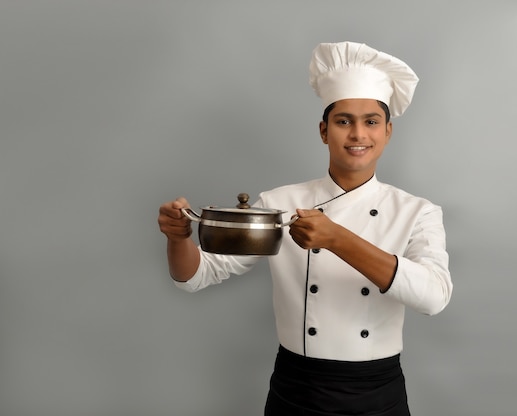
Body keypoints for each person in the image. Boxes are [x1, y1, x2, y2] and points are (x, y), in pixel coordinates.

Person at [158, 41, 453, 416]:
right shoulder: (280, 202)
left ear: (388, 132)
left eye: (371, 122)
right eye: (343, 121)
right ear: (323, 130)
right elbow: (196, 275)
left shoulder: (417, 212)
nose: (358, 134)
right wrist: (178, 237)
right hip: (295, 387)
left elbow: (433, 297)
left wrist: (338, 239)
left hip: (376, 391)